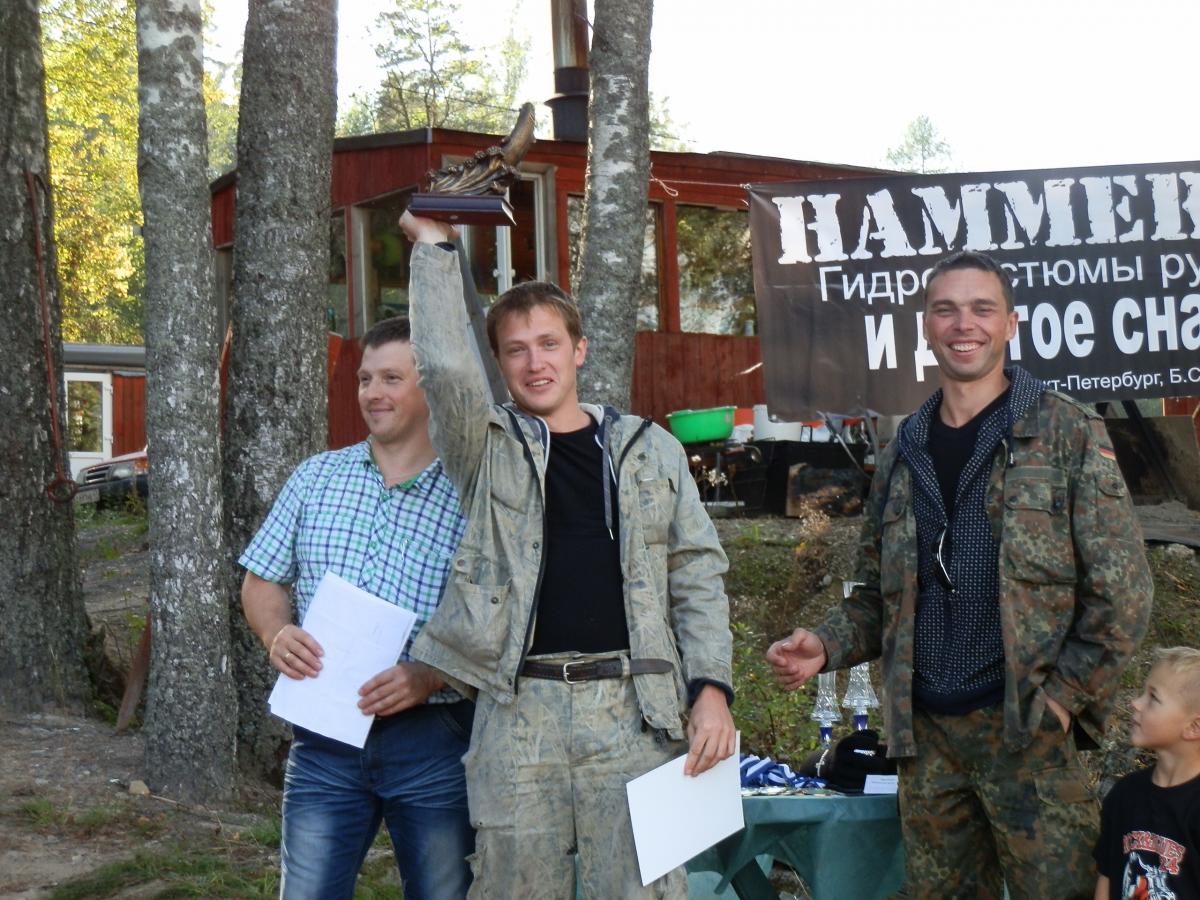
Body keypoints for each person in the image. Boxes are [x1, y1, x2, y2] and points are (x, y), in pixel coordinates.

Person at [766, 250, 1153, 899]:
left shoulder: (1064, 431)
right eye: (945, 309)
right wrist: (825, 644)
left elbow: (1124, 591)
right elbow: (877, 596)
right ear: (926, 326)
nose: (963, 324)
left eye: (981, 309)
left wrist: (1062, 700)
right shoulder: (903, 449)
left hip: (1026, 731)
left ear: (1010, 324)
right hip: (927, 744)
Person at [398, 211, 737, 899]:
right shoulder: (486, 449)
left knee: (644, 892)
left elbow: (697, 577)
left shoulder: (651, 450)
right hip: (520, 711)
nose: (535, 363)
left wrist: (711, 692)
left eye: (549, 344)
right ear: (500, 365)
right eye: (516, 350)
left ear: (579, 351)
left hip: (639, 711)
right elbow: (444, 370)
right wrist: (434, 251)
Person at [239, 316, 473, 900]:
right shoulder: (316, 478)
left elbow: (498, 612)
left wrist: (431, 672)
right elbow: (261, 581)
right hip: (324, 736)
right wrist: (276, 634)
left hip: (433, 738)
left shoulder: (470, 494)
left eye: (391, 378)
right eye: (366, 379)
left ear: (430, 386)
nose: (372, 393)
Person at [1094, 647, 1200, 900]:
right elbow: (1106, 877)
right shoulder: (1124, 795)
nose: (1135, 703)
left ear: (1194, 726)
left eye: (1153, 697)